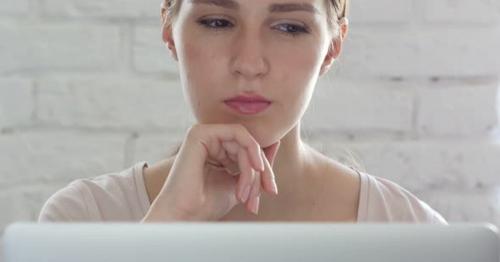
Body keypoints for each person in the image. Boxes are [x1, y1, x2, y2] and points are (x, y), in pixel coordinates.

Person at [38, 0, 447, 224]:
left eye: (289, 27)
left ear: (332, 47)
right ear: (170, 32)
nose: (249, 63)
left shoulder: (410, 230)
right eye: (217, 22)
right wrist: (165, 227)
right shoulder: (82, 220)